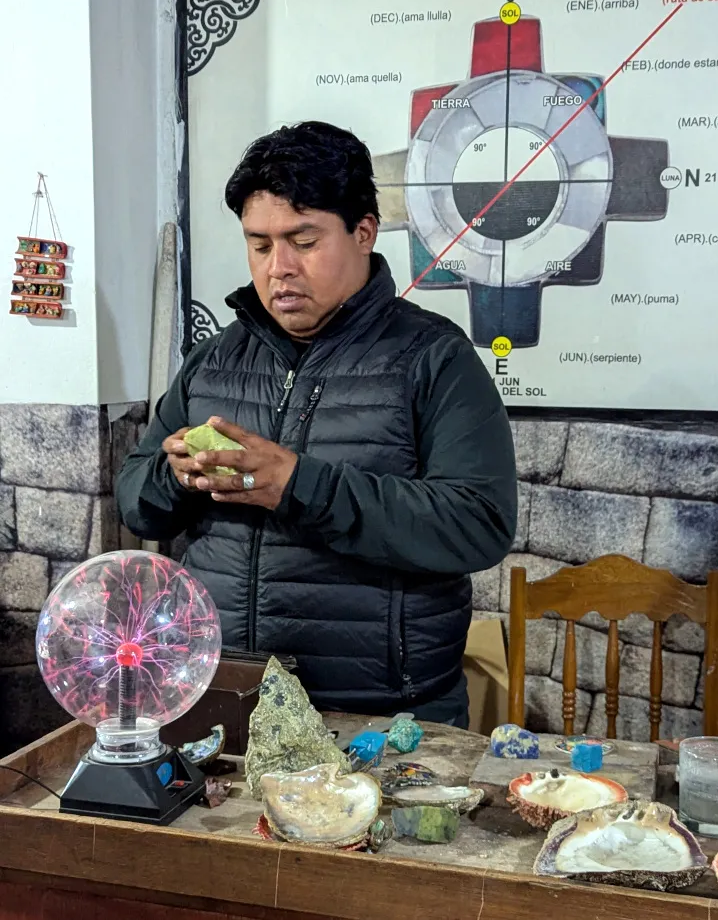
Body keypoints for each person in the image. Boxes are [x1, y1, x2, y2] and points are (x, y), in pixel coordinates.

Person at [116, 121, 517, 728]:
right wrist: (179, 478)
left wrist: (298, 485)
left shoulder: (433, 357)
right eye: (259, 244)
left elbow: (478, 525)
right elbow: (136, 502)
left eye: (303, 241)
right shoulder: (215, 360)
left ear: (363, 232)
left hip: (381, 716)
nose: (278, 268)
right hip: (225, 696)